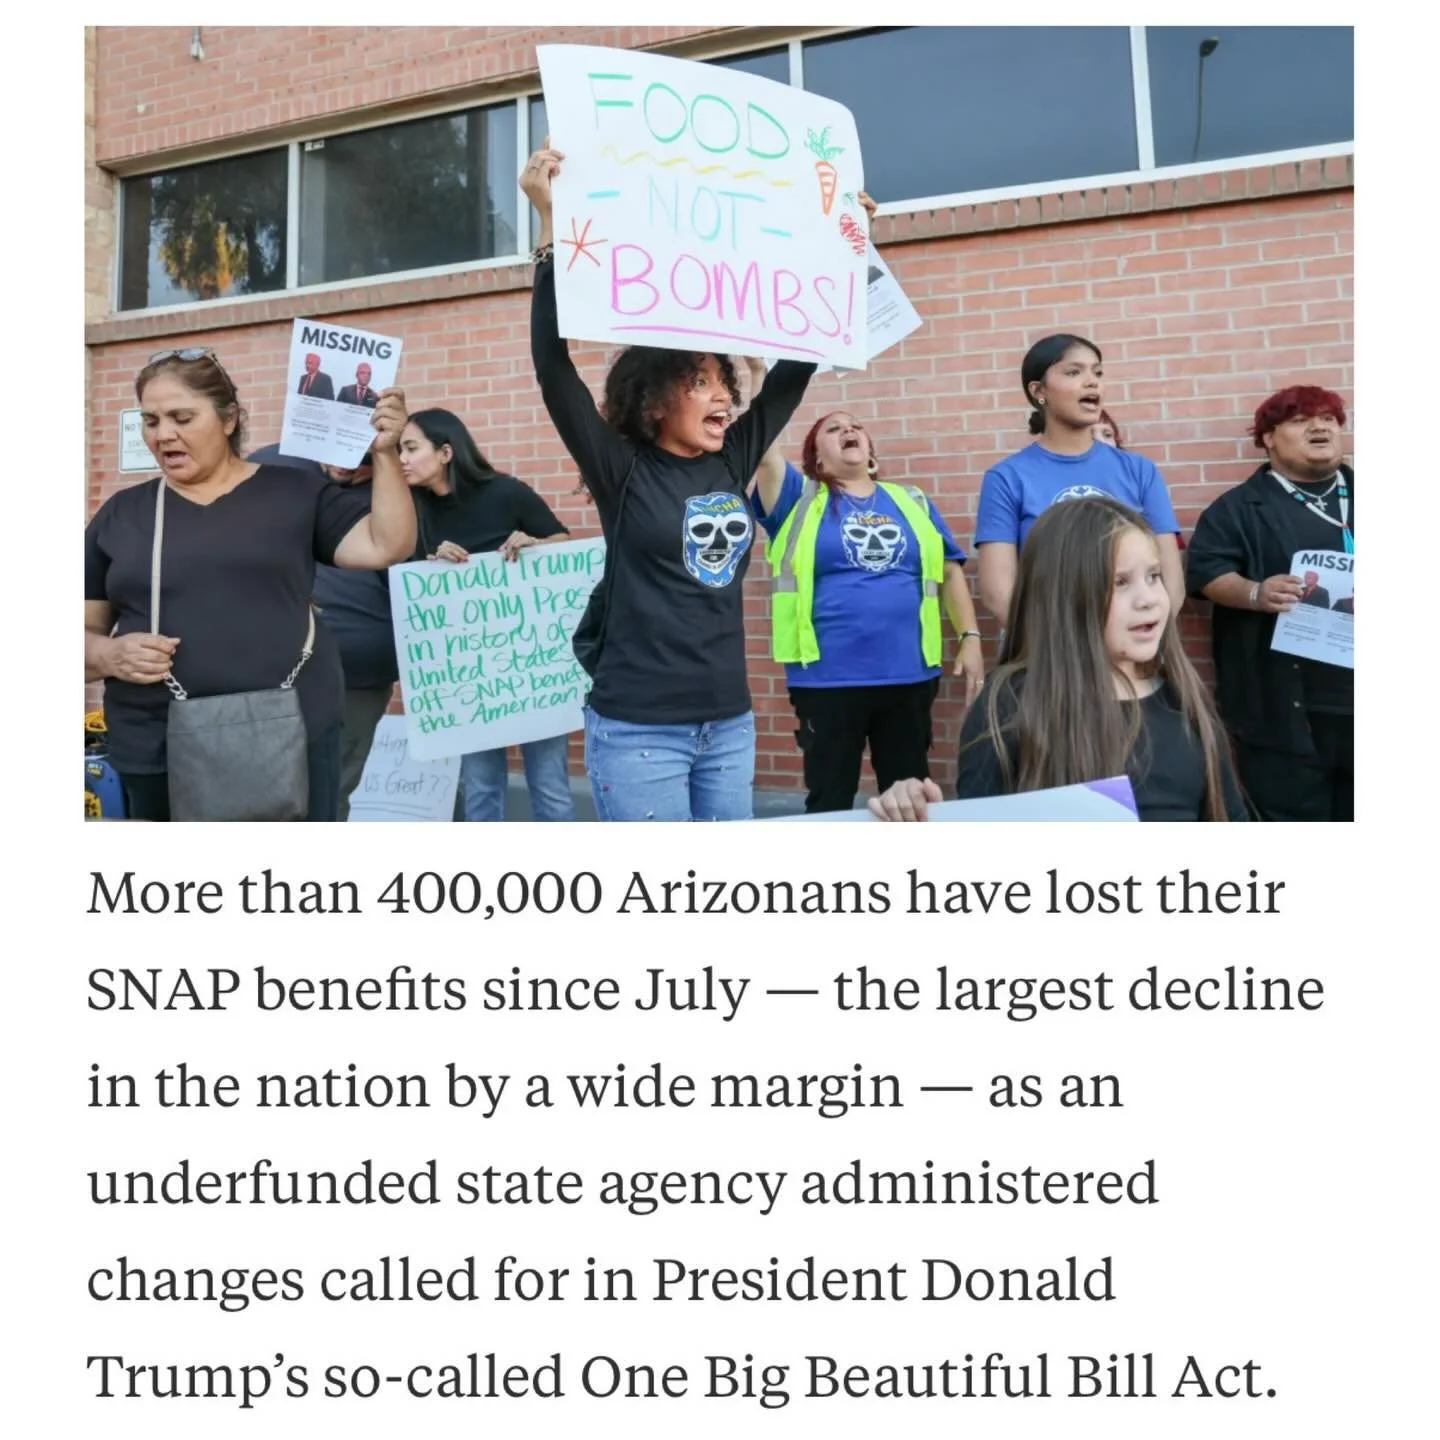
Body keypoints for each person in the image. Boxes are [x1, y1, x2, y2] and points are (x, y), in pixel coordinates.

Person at [521, 139, 816, 821]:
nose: (723, 398)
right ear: (654, 401)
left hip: (728, 725)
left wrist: (839, 252)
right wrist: (549, 228)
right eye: (699, 382)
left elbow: (794, 375)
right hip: (639, 732)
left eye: (725, 382)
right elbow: (552, 365)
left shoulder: (733, 459)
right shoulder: (622, 470)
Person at [84, 349, 416, 821]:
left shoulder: (295, 492)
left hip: (293, 735)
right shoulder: (122, 514)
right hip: (154, 741)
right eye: (151, 421)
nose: (164, 434)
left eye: (182, 417)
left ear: (228, 419)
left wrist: (384, 453)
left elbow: (385, 544)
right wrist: (107, 656)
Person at [868, 496, 1246, 823]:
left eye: (1154, 576)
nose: (1148, 598)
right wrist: (914, 812)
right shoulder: (1009, 703)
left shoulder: (1185, 699)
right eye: (1120, 582)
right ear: (1066, 595)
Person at [750, 410, 984, 814]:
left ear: (870, 452)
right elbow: (766, 451)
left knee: (910, 799)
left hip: (909, 674)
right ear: (816, 460)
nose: (849, 430)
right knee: (830, 797)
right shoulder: (797, 499)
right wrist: (759, 381)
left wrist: (971, 637)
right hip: (827, 679)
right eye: (833, 429)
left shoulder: (911, 500)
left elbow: (948, 570)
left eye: (856, 426)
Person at [399, 406, 577, 822]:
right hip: (468, 676)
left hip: (533, 671)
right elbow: (405, 576)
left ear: (445, 452)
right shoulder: (411, 510)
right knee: (480, 790)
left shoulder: (506, 493)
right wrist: (429, 560)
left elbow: (563, 544)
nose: (402, 460)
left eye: (410, 448)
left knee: (550, 788)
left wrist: (532, 543)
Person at [1185, 384, 1354, 822]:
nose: (1320, 427)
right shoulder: (1236, 509)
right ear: (1267, 439)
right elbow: (1206, 574)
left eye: (1330, 419)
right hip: (1281, 716)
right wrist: (1256, 593)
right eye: (1300, 420)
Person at [975, 334, 1183, 623]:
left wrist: (1145, 640)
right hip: (1048, 652)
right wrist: (1055, 648)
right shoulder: (1006, 478)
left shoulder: (1140, 470)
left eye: (1097, 372)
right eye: (1074, 372)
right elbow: (999, 592)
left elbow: (1170, 578)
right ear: (1039, 391)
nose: (1092, 381)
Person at [250, 444, 399, 821]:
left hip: (359, 672)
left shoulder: (396, 484)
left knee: (333, 791)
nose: (347, 466)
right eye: (339, 449)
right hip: (274, 667)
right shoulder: (271, 466)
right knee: (259, 787)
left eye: (364, 458)